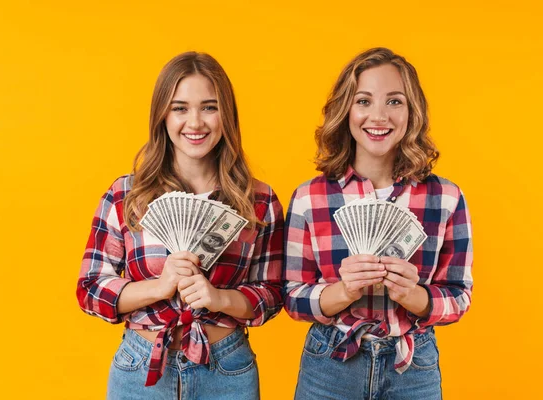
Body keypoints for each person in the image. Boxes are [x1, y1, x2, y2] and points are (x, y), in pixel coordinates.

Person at [77, 52, 284, 400]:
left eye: (209, 107)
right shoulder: (125, 194)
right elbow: (91, 290)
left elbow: (273, 295)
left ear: (226, 115)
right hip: (141, 366)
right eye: (180, 108)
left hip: (227, 369)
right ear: (162, 115)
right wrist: (160, 286)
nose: (195, 122)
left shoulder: (258, 199)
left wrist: (220, 298)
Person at [283, 47, 473, 399]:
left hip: (413, 365)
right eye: (364, 101)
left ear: (412, 111)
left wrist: (414, 296)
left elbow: (459, 295)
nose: (379, 116)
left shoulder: (446, 197)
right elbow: (292, 297)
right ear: (346, 110)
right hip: (330, 362)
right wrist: (344, 291)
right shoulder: (310, 198)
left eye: (395, 102)